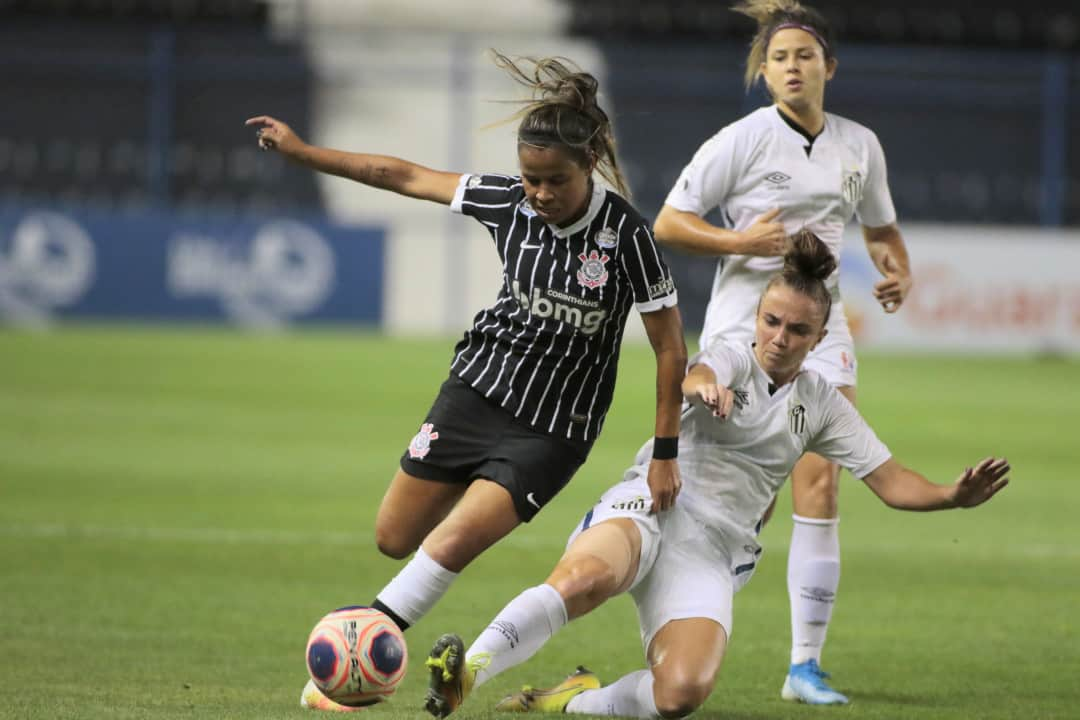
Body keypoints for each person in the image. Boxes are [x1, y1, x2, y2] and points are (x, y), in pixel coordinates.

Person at [246, 51, 687, 712]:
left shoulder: (626, 236)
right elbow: (400, 173)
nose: (538, 193)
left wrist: (664, 451)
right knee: (393, 538)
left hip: (553, 429)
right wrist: (305, 153)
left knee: (448, 544)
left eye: (553, 181)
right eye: (529, 178)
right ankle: (383, 627)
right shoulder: (507, 202)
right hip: (477, 389)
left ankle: (357, 662)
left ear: (589, 163)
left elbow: (670, 346)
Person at [421, 231, 1009, 719]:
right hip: (651, 504)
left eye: (797, 330)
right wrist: (703, 385)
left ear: (819, 337)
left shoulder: (822, 404)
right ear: (757, 317)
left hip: (715, 549)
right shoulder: (733, 354)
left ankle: (577, 702)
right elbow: (696, 372)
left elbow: (890, 479)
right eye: (772, 321)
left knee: (680, 694)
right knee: (584, 579)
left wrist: (952, 495)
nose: (780, 338)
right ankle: (466, 672)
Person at [651, 0, 915, 703]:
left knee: (822, 482)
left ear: (828, 65)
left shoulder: (860, 144)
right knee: (741, 502)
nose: (792, 67)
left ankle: (804, 666)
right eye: (778, 58)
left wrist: (897, 270)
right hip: (744, 333)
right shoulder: (740, 142)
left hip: (820, 336)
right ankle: (676, 596)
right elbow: (670, 222)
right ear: (763, 75)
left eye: (804, 55)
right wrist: (739, 242)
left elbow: (882, 229)